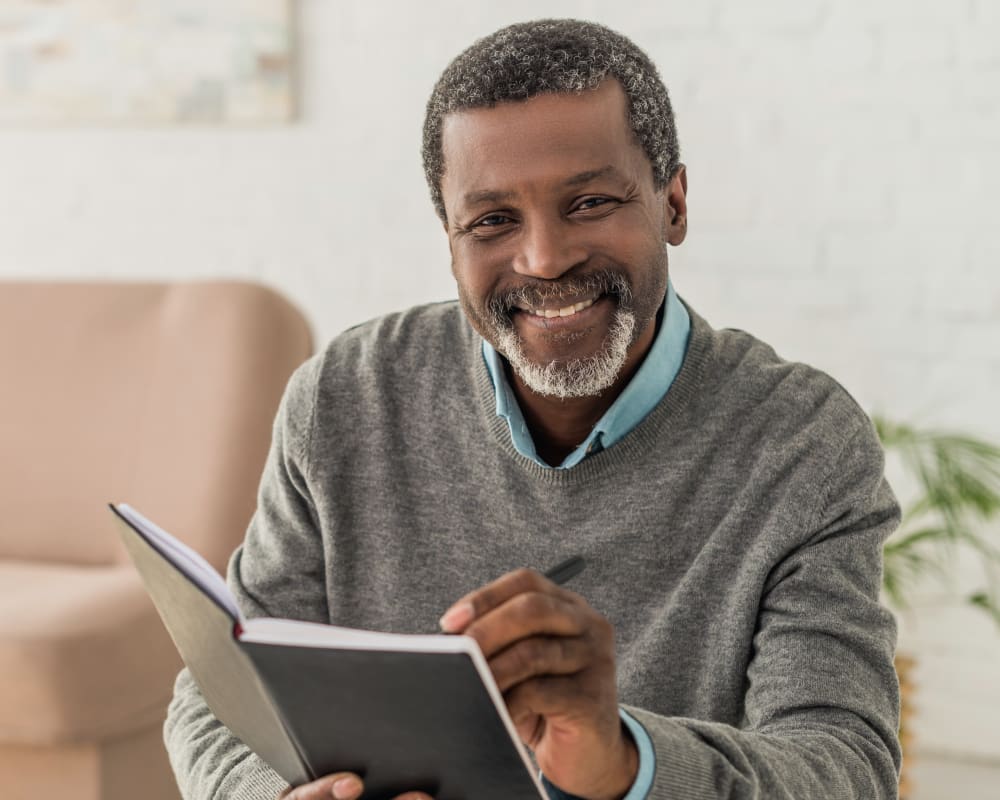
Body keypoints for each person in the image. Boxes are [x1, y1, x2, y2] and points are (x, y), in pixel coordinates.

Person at [164, 18, 901, 800]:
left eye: (589, 202)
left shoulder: (801, 441)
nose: (545, 258)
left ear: (673, 203)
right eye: (492, 221)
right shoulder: (346, 397)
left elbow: (844, 767)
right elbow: (219, 695)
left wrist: (624, 761)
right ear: (450, 242)